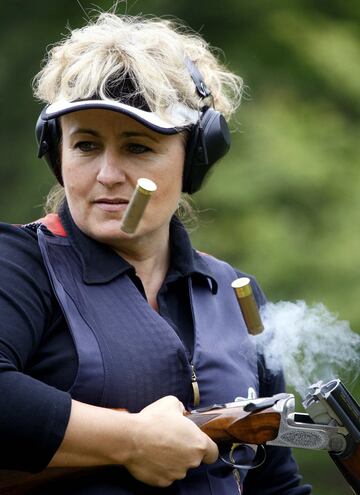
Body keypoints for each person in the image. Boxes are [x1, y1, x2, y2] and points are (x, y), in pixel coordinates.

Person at [0, 11, 312, 495]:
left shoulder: (236, 294)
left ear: (197, 157)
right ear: (56, 154)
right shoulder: (19, 264)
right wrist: (130, 441)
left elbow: (275, 481)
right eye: (85, 144)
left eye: (138, 147)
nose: (107, 174)